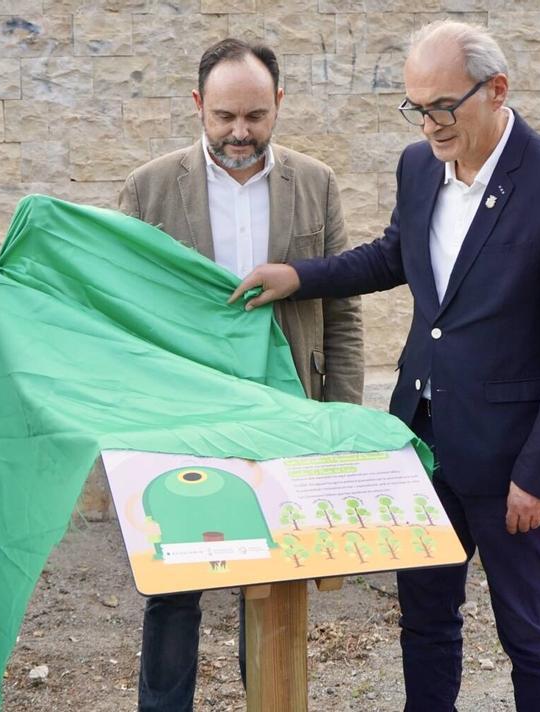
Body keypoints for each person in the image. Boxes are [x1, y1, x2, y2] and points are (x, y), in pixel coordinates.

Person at [232, 20, 540, 712]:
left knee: (532, 635)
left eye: (443, 105)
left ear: (497, 91)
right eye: (417, 106)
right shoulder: (418, 165)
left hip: (509, 465)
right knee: (425, 623)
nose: (430, 123)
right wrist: (298, 275)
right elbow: (393, 255)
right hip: (420, 443)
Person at [118, 37, 364, 712]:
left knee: (277, 584)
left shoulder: (315, 184)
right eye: (224, 115)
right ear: (198, 105)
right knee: (172, 594)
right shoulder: (148, 188)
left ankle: (271, 699)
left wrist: (337, 422)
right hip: (182, 424)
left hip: (286, 419)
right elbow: (123, 318)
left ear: (279, 104)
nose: (239, 132)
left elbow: (341, 316)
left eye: (255, 115)